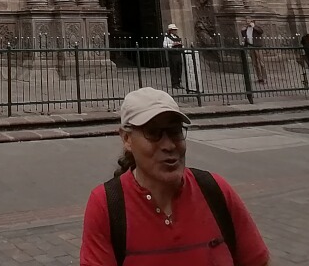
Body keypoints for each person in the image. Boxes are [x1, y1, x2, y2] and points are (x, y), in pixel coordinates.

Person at [80, 87, 269, 265]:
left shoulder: (215, 190)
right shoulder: (106, 205)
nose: (169, 145)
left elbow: (258, 261)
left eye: (175, 131)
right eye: (153, 133)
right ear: (127, 139)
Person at [240, 18, 266, 83]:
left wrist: (253, 26)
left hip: (258, 47)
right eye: (246, 21)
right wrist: (242, 31)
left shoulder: (256, 27)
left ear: (252, 21)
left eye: (248, 21)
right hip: (251, 47)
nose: (247, 23)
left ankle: (264, 78)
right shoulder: (246, 29)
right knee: (255, 63)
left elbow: (261, 31)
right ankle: (259, 78)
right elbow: (245, 37)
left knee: (262, 63)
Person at [161, 24, 183, 90]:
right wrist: (173, 44)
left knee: (179, 68)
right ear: (170, 31)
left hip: (178, 53)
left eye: (175, 30)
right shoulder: (167, 37)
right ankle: (174, 83)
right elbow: (165, 45)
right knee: (174, 69)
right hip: (172, 54)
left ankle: (178, 83)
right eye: (174, 30)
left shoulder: (177, 37)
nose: (175, 31)